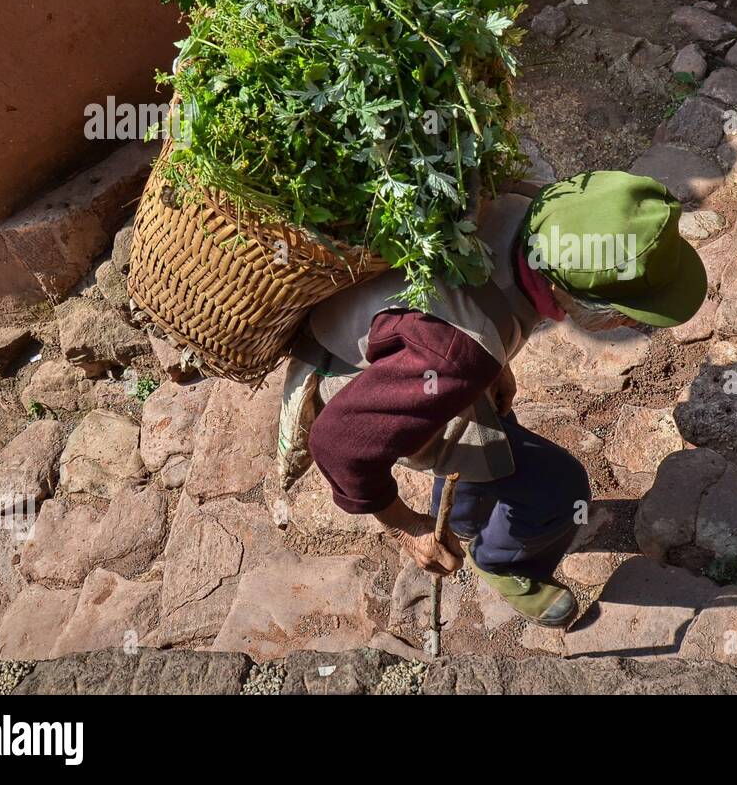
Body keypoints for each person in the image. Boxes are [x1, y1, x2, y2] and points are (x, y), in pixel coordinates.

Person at [297, 170, 706, 627]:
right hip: (366, 378)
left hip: (407, 347)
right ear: (565, 289)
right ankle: (502, 563)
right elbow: (337, 442)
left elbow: (466, 291)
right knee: (559, 488)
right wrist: (405, 527)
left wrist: (495, 361)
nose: (631, 327)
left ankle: (466, 519)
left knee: (485, 434)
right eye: (626, 316)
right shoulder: (456, 358)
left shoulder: (516, 199)